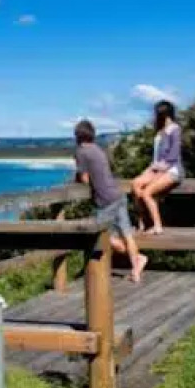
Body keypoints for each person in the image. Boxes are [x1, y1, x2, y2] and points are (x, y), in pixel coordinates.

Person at [72, 119, 147, 283]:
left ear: (78, 136)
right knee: (127, 234)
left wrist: (77, 178)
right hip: (118, 195)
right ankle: (136, 266)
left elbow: (84, 179)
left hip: (105, 200)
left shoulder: (81, 151)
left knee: (99, 235)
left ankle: (96, 274)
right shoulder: (99, 149)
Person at [131, 100, 182, 234]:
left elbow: (172, 156)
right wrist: (148, 171)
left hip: (172, 170)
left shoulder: (174, 130)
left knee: (147, 192)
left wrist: (156, 175)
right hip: (157, 168)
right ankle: (142, 221)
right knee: (136, 183)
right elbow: (156, 159)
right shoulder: (160, 131)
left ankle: (157, 226)